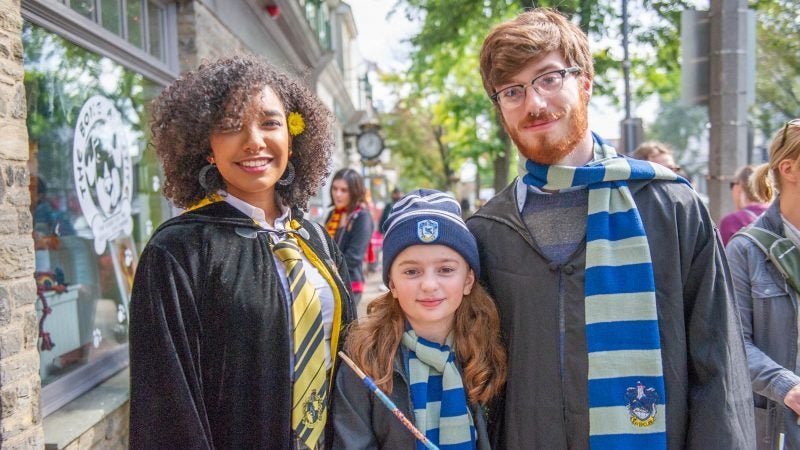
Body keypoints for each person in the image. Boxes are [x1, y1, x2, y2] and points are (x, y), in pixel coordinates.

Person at [468, 8, 754, 449]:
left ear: (584, 83)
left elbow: (719, 374)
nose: (535, 104)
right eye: (512, 91)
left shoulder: (673, 210)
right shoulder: (488, 232)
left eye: (548, 78)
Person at [129, 55, 356, 449]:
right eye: (230, 126)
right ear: (205, 146)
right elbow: (167, 403)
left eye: (270, 122)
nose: (254, 140)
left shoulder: (316, 240)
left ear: (291, 135)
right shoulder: (178, 252)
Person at [332, 189, 506, 449]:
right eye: (412, 271)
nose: (428, 284)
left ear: (468, 280)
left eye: (446, 270)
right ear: (392, 282)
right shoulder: (364, 359)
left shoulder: (490, 353)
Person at [726, 119, 800, 449]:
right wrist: (787, 387)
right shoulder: (746, 249)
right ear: (790, 169)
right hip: (776, 428)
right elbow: (731, 344)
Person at [325, 168, 374, 306]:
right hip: (329, 280)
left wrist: (325, 267)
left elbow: (354, 257)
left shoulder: (362, 217)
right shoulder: (333, 215)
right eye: (335, 188)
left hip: (350, 284)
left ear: (354, 192)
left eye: (344, 190)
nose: (338, 194)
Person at [719, 165, 769, 246]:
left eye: (732, 184)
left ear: (739, 187)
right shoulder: (778, 214)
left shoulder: (732, 221)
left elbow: (723, 257)